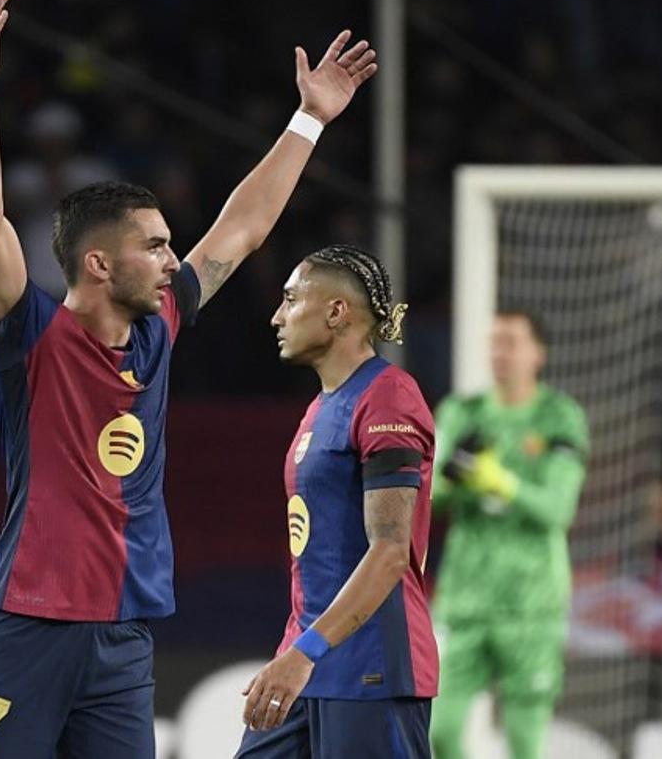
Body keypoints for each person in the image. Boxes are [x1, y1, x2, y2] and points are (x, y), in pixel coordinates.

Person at [0, 0, 377, 759]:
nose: (176, 260)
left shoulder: (157, 331)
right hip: (27, 622)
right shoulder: (31, 337)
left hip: (121, 640)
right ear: (99, 264)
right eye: (157, 246)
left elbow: (241, 229)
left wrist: (309, 119)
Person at [236, 245, 437, 759]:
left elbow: (390, 552)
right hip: (309, 657)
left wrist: (305, 652)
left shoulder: (388, 397)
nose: (277, 316)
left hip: (370, 667)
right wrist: (299, 650)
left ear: (335, 311)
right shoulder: (322, 407)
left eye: (290, 300)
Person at [429, 310, 588, 759]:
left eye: (511, 342)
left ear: (539, 353)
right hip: (465, 598)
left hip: (531, 604)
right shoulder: (462, 413)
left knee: (524, 743)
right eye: (495, 342)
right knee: (439, 729)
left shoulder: (559, 418)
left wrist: (503, 483)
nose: (500, 352)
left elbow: (558, 509)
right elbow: (427, 499)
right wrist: (456, 479)